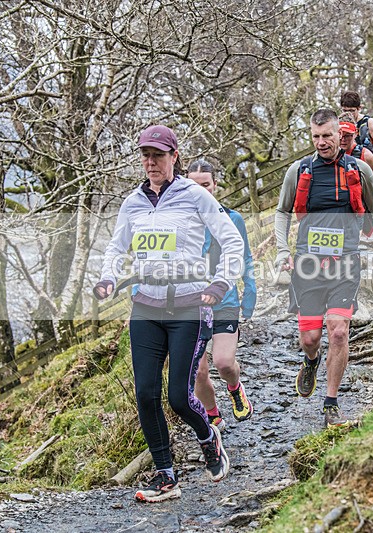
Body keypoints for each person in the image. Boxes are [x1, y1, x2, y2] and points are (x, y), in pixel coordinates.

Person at [94, 125, 244, 502]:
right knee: (146, 394)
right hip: (146, 307)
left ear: (174, 157)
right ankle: (165, 476)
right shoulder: (132, 202)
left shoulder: (195, 195)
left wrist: (221, 283)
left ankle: (209, 437)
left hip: (189, 307)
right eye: (145, 155)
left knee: (179, 396)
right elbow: (115, 246)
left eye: (158, 155)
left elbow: (231, 240)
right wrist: (108, 277)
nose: (150, 162)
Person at [274, 109, 373, 428]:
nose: (321, 142)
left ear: (339, 136)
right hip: (309, 268)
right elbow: (282, 212)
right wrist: (281, 250)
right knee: (311, 338)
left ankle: (331, 402)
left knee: (339, 331)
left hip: (345, 265)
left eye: (327, 136)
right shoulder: (298, 171)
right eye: (315, 137)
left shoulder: (359, 170)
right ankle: (311, 361)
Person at [187, 159, 257, 432]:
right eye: (195, 186)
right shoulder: (179, 223)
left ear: (215, 186)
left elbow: (246, 259)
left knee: (224, 363)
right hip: (188, 304)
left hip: (225, 301)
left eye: (206, 185)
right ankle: (213, 417)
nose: (201, 191)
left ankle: (234, 386)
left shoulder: (232, 219)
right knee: (199, 371)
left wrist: (249, 291)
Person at [339, 91, 373, 174]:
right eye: (345, 110)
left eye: (352, 111)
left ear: (359, 108)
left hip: (367, 167)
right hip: (347, 167)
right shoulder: (339, 123)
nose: (348, 114)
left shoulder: (368, 122)